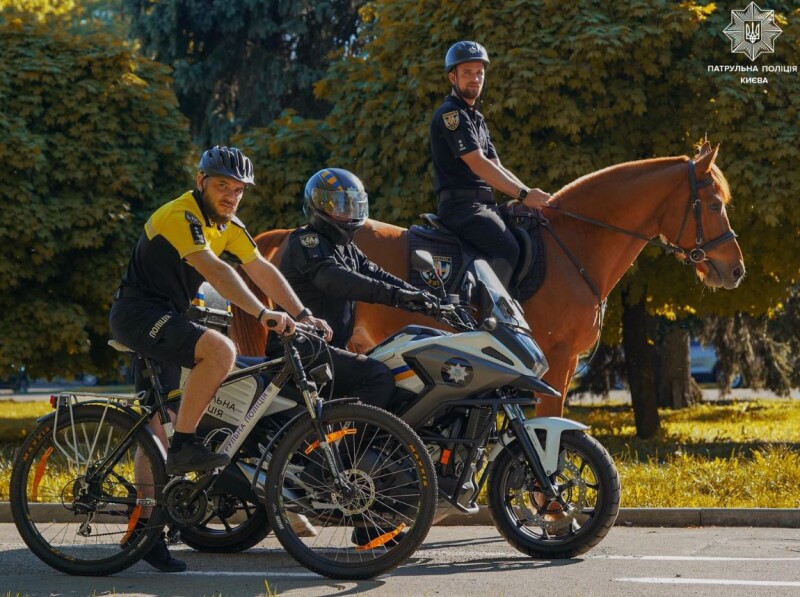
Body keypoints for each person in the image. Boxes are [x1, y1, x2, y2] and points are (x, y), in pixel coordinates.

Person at [110, 146, 332, 571]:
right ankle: (186, 445)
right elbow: (217, 270)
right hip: (138, 314)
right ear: (201, 182)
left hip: (169, 317)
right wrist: (264, 314)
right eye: (222, 186)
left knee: (155, 428)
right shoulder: (181, 216)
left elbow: (259, 267)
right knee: (220, 349)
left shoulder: (227, 224)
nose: (231, 196)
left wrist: (302, 313)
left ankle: (145, 533)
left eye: (238, 190)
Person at [272, 167, 435, 412]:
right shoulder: (307, 242)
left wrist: (422, 297)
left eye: (352, 206)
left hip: (327, 348)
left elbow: (375, 273)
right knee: (378, 377)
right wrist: (396, 296)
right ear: (318, 206)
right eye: (340, 207)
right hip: (301, 349)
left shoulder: (345, 247)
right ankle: (345, 437)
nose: (348, 213)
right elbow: (334, 278)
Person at [430, 40, 551, 288]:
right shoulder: (451, 114)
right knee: (507, 248)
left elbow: (497, 165)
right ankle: (489, 310)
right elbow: (478, 164)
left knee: (530, 229)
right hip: (461, 208)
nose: (475, 79)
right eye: (467, 73)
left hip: (484, 205)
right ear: (452, 77)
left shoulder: (477, 119)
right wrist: (523, 194)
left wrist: (531, 196)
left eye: (479, 73)